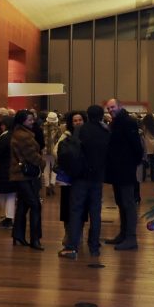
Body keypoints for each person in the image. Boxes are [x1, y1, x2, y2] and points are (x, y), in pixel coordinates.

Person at [59, 105, 108, 258]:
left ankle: (72, 247)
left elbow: (72, 152)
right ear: (101, 116)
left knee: (76, 211)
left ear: (87, 115)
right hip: (97, 178)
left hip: (80, 177)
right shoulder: (106, 131)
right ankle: (94, 246)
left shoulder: (81, 130)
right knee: (95, 212)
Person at [104, 97, 143, 251]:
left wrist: (133, 162)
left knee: (128, 203)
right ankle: (123, 234)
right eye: (108, 108)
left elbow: (136, 146)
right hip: (117, 169)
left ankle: (131, 237)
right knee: (121, 202)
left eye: (113, 107)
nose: (110, 110)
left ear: (120, 106)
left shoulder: (128, 122)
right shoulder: (116, 123)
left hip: (125, 169)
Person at [10, 109, 45, 250]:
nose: (32, 122)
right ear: (22, 121)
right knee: (35, 205)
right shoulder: (24, 136)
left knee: (23, 205)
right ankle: (35, 239)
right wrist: (42, 163)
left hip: (20, 174)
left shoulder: (19, 133)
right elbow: (32, 156)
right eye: (30, 120)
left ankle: (18, 235)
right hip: (24, 175)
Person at [54, 110, 86, 248]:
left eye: (80, 120)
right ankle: (68, 232)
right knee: (67, 206)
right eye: (75, 120)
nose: (78, 122)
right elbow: (56, 152)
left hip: (82, 177)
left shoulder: (87, 135)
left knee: (82, 206)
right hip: (67, 178)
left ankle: (79, 233)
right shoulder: (65, 136)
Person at [41, 112, 62, 197]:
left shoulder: (42, 127)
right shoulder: (58, 128)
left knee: (46, 169)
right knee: (55, 168)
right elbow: (59, 140)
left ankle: (47, 185)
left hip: (44, 150)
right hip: (54, 151)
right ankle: (52, 184)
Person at [141, 113, 154, 183]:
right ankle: (153, 177)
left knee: (144, 161)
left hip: (146, 143)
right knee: (153, 161)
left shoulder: (144, 125)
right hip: (153, 143)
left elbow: (143, 133)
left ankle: (143, 177)